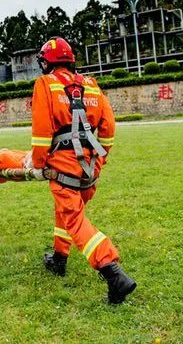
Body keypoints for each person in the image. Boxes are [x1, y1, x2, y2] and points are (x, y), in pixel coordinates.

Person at [28, 36, 136, 304]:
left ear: (48, 62)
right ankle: (59, 259)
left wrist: (39, 165)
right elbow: (108, 128)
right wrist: (100, 161)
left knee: (75, 220)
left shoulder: (46, 85)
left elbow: (42, 134)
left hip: (63, 167)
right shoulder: (91, 84)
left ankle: (113, 273)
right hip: (89, 168)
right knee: (66, 212)